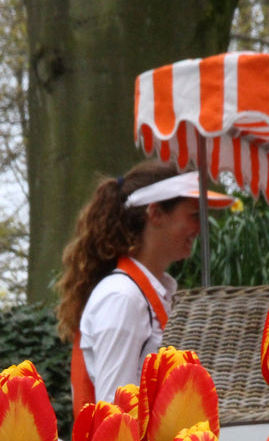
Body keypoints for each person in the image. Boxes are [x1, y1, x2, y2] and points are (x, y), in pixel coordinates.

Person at [56, 161, 234, 411]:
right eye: (193, 215)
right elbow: (114, 412)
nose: (199, 228)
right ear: (155, 214)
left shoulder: (145, 292)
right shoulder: (122, 296)